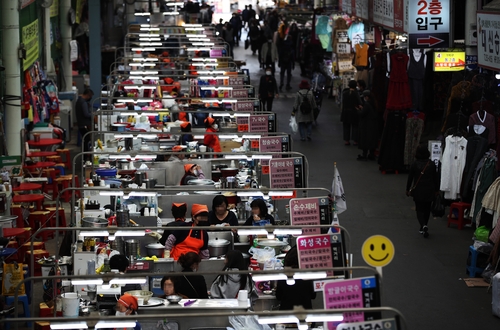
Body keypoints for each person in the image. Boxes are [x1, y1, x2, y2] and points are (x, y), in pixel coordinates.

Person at [405, 145, 439, 238]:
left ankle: (423, 225)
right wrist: (437, 190)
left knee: (419, 209)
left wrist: (407, 189)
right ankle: (424, 225)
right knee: (427, 209)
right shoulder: (431, 164)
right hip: (429, 189)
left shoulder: (415, 164)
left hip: (418, 190)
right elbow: (435, 178)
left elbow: (410, 178)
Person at [275, 246, 316, 310]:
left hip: (286, 315)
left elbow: (278, 297)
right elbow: (313, 296)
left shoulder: (283, 276)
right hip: (305, 314)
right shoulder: (308, 275)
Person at [357, 90, 379, 161]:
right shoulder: (374, 104)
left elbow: (362, 114)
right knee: (372, 139)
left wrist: (358, 110)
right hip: (373, 124)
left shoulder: (367, 104)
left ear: (367, 97)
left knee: (365, 139)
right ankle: (371, 154)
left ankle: (364, 154)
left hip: (366, 124)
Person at [341, 80, 362, 146]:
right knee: (355, 126)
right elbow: (359, 102)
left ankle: (347, 140)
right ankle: (355, 141)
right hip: (354, 112)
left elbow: (343, 103)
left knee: (346, 126)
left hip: (346, 111)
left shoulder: (345, 93)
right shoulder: (356, 93)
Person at [75, 88, 94, 161]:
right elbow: (86, 114)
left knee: (85, 141)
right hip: (84, 125)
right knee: (87, 140)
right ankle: (85, 159)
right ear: (88, 95)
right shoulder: (83, 103)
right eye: (90, 97)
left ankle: (85, 158)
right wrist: (93, 114)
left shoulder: (79, 101)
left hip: (81, 124)